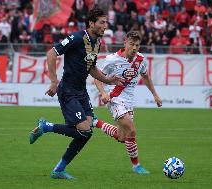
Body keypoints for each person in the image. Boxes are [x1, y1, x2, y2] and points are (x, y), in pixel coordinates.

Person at [29, 7, 123, 180]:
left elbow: (92, 67)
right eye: (102, 22)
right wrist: (53, 81)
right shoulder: (77, 38)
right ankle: (46, 127)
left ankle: (58, 170)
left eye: (106, 23)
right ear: (91, 23)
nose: (105, 26)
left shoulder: (97, 43)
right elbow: (51, 53)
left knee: (86, 134)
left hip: (81, 92)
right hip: (68, 91)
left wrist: (108, 80)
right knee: (84, 130)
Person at [93, 31, 162, 174]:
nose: (134, 48)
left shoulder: (141, 60)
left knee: (122, 137)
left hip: (129, 101)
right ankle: (136, 166)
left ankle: (95, 122)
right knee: (132, 130)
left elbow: (146, 77)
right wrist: (104, 93)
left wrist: (155, 95)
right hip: (114, 98)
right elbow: (97, 78)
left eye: (137, 45)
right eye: (132, 44)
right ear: (125, 43)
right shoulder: (112, 60)